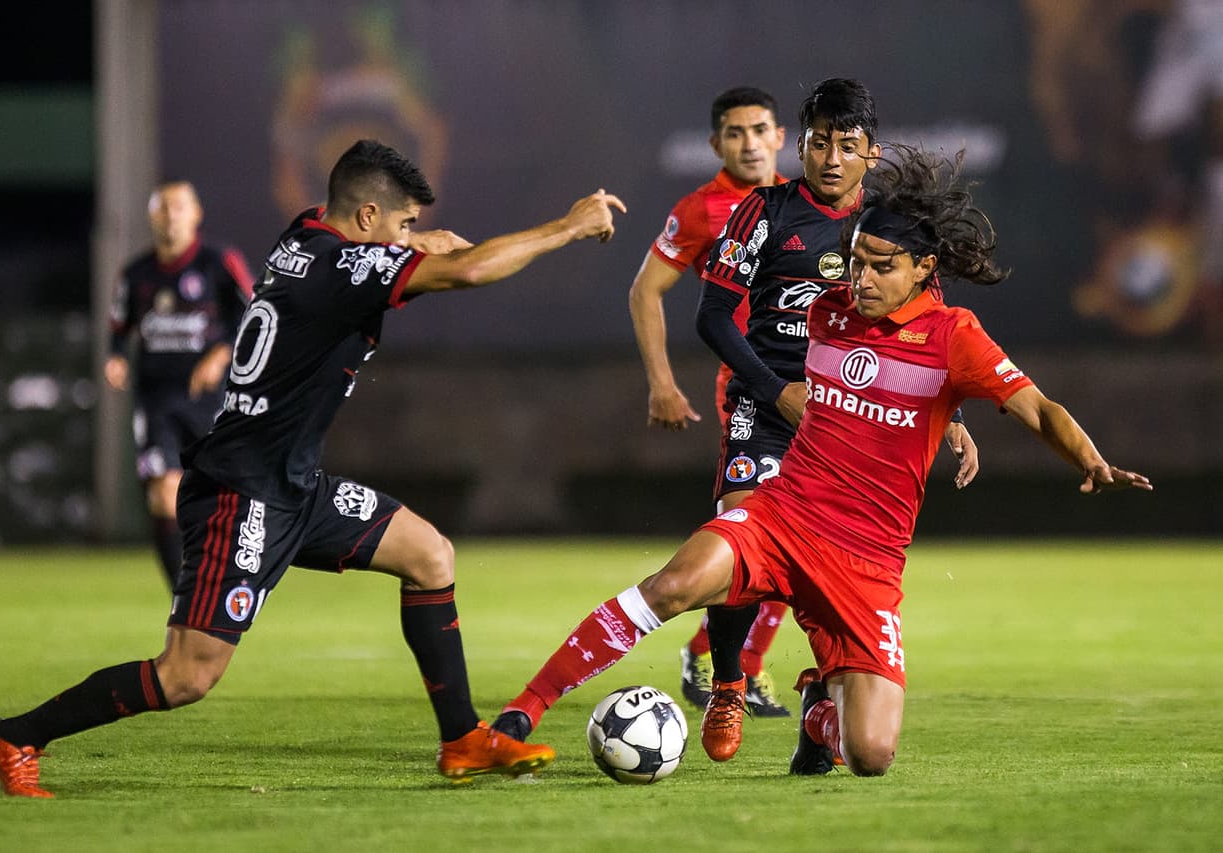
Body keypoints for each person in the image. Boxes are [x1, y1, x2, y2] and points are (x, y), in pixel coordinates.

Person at [0, 140, 626, 797]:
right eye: (401, 223)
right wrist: (567, 227)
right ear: (367, 217)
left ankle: (462, 739)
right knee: (187, 675)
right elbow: (469, 271)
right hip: (242, 493)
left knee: (429, 554)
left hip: (295, 484)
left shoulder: (305, 234)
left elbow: (374, 247)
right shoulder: (342, 269)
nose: (407, 236)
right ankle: (16, 736)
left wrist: (411, 238)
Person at [490, 144, 1150, 779]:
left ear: (925, 268)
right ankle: (519, 716)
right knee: (672, 585)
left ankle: (818, 713)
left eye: (882, 266)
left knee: (871, 754)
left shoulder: (955, 337)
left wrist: (1089, 460)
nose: (861, 279)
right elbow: (780, 345)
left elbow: (1039, 408)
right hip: (784, 515)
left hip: (867, 560)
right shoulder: (830, 312)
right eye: (856, 262)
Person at [691, 79, 980, 755]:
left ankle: (822, 695)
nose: (831, 158)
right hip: (767, 410)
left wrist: (953, 414)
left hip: (856, 423)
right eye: (820, 143)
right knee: (738, 530)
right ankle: (730, 681)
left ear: (871, 153)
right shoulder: (765, 211)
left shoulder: (891, 228)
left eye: (847, 145)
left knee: (835, 565)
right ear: (801, 146)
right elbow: (712, 316)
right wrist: (775, 390)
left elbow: (929, 330)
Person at [628, 86, 797, 716]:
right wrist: (661, 383)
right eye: (735, 132)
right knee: (761, 528)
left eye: (759, 130)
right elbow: (646, 291)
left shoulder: (801, 204)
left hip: (820, 393)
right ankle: (728, 665)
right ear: (716, 144)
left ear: (780, 137)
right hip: (753, 393)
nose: (749, 143)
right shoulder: (702, 210)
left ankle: (724, 657)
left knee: (801, 536)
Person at [106, 180, 255, 589]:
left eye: (179, 207)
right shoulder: (136, 273)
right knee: (163, 492)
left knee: (219, 496)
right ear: (151, 216)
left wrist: (220, 355)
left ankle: (227, 580)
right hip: (155, 399)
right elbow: (119, 327)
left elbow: (254, 314)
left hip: (211, 400)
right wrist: (116, 357)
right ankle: (183, 593)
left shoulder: (219, 262)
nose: (171, 216)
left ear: (196, 214)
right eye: (163, 208)